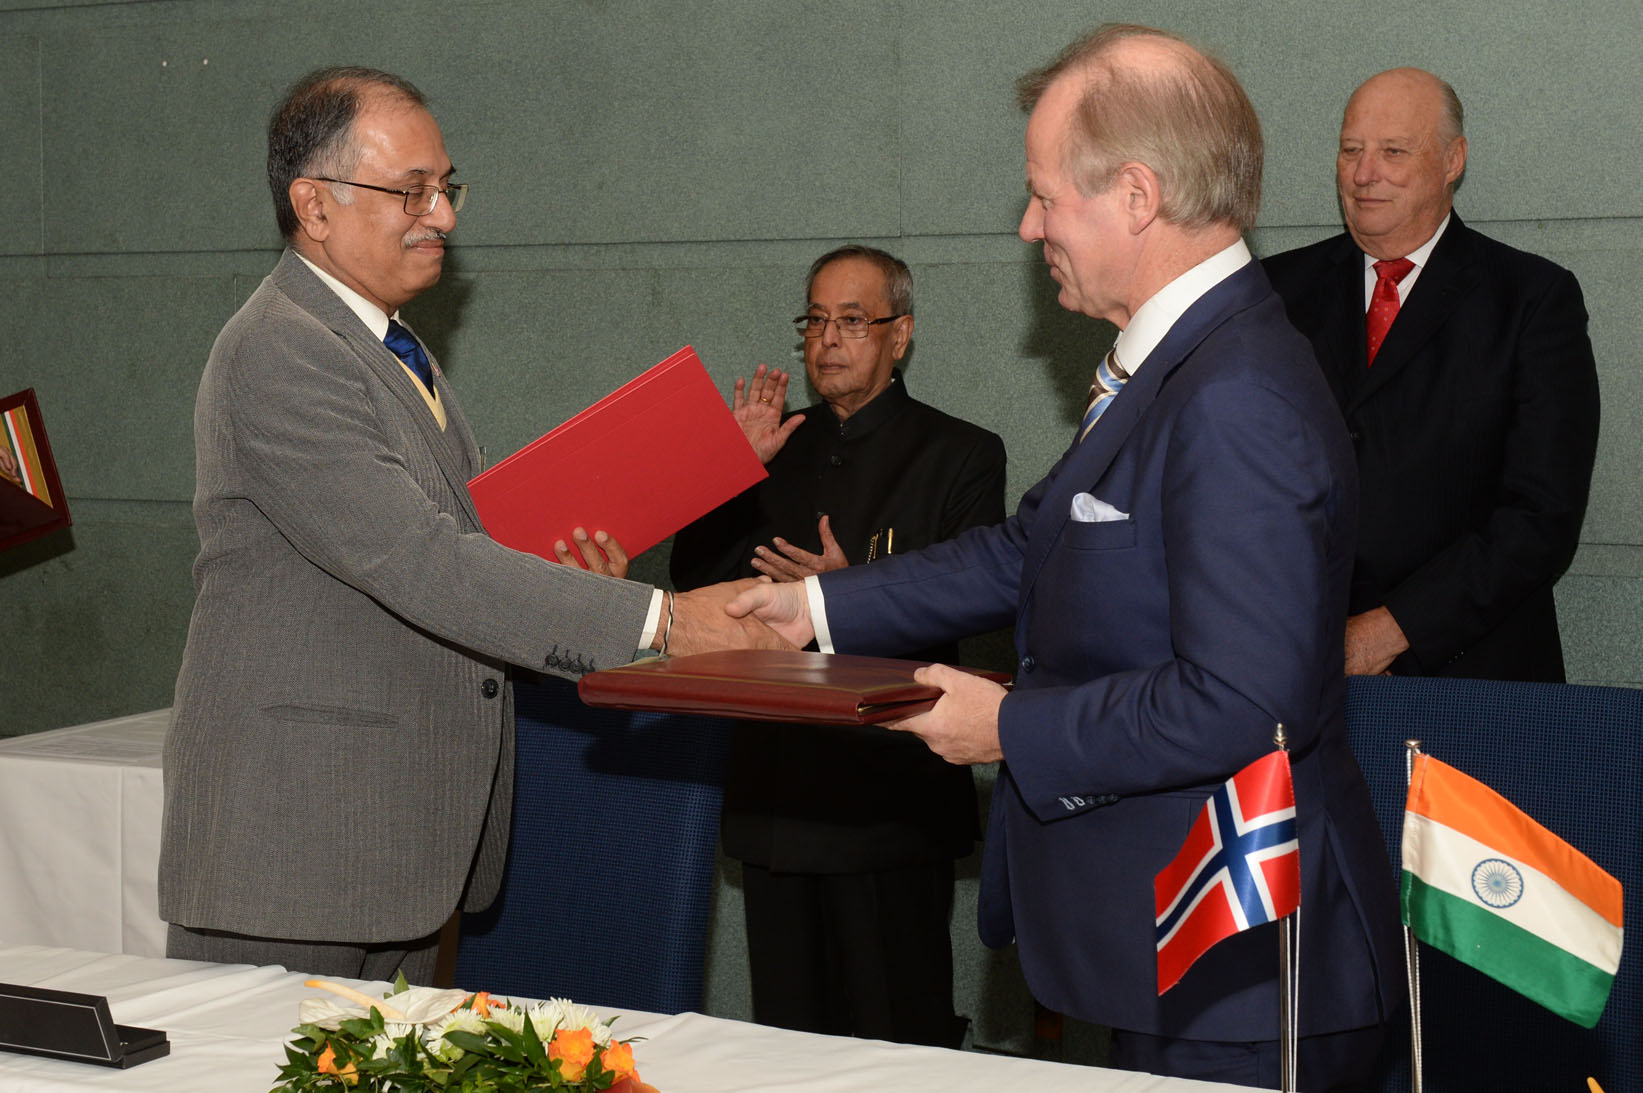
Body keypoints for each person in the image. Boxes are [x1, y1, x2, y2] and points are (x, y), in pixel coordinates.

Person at [718, 26, 1402, 1090]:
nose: (1030, 223)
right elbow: (1035, 545)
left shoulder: (1234, 396)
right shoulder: (1176, 363)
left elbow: (1245, 701)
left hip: (1237, 954)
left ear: (1134, 194)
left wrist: (1005, 727)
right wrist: (818, 605)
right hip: (1167, 937)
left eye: (1042, 195)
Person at [160, 66, 779, 982]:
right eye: (411, 190)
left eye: (446, 185)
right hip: (295, 854)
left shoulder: (394, 349)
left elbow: (454, 546)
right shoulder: (280, 349)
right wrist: (664, 622)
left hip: (388, 842)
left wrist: (576, 572)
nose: (443, 214)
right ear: (313, 205)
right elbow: (419, 561)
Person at [671, 245, 1006, 1048]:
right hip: (776, 791)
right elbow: (693, 582)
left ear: (901, 335)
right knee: (785, 1042)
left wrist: (851, 594)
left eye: (852, 320)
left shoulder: (960, 453)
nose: (828, 339)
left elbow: (982, 606)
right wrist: (727, 471)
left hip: (888, 799)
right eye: (815, 320)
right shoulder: (769, 448)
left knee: (894, 1041)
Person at [1264, 68, 1600, 681]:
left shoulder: (1532, 300)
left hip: (1470, 681)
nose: (1365, 173)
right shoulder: (1273, 292)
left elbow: (1541, 516)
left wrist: (1394, 629)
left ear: (1453, 161)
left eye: (1393, 151)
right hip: (1292, 670)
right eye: (1351, 150)